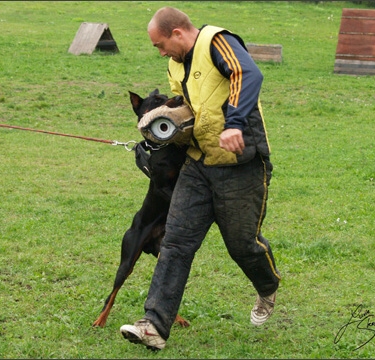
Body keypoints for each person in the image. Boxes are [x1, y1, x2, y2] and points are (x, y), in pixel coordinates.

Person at [120, 7, 281, 351]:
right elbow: (190, 112)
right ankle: (154, 325)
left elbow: (247, 74)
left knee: (242, 245)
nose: (161, 53)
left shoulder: (216, 42)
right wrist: (158, 134)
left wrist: (235, 123)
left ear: (178, 33)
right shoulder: (176, 65)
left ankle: (267, 286)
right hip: (197, 164)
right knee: (175, 243)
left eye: (161, 45)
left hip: (241, 164)